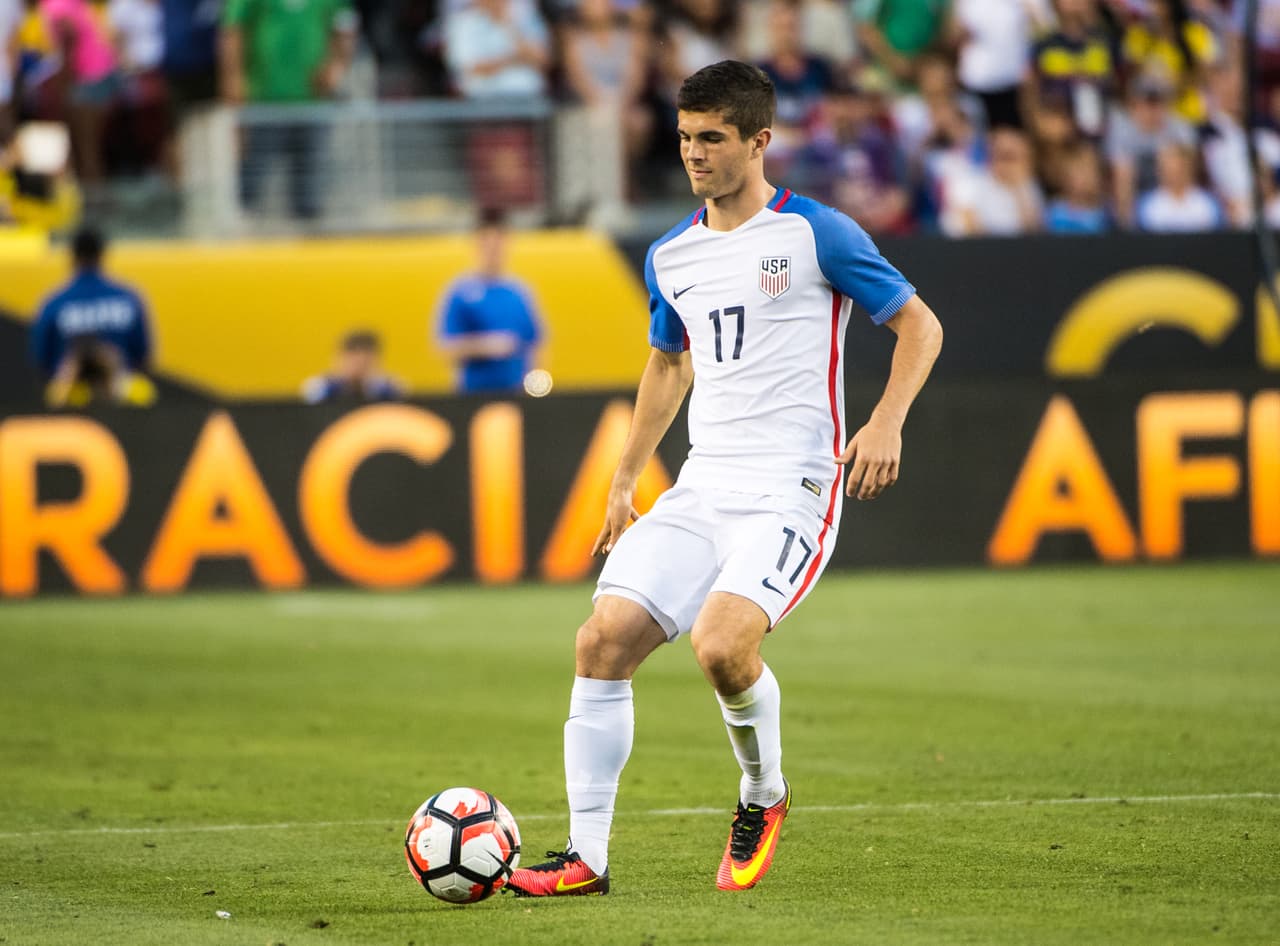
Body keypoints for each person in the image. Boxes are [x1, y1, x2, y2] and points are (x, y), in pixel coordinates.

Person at [506, 60, 942, 898]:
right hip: (705, 487)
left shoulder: (817, 234)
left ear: (759, 141)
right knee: (600, 642)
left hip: (794, 488)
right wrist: (626, 477)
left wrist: (884, 422)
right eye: (683, 138)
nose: (694, 155)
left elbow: (919, 326)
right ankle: (585, 859)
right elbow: (668, 365)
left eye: (712, 138)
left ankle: (762, 795)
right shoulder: (672, 255)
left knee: (720, 645)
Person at [220, 0, 357, 219]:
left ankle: (309, 239)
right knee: (251, 179)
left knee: (310, 183)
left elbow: (345, 26)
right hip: (263, 100)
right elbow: (233, 30)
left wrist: (337, 66)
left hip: (313, 101)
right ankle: (244, 237)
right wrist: (233, 79)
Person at [28, 225, 156, 405]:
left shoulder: (54, 304)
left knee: (57, 393)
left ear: (72, 256)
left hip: (69, 404)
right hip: (121, 401)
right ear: (102, 254)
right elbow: (143, 356)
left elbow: (42, 361)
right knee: (142, 392)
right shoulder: (127, 299)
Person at [435, 206, 542, 394]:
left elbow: (535, 344)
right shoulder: (461, 293)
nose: (494, 251)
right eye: (488, 244)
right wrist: (487, 346)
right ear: (477, 245)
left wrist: (534, 389)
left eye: (498, 244)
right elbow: (446, 346)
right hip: (475, 393)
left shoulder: (518, 293)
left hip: (515, 392)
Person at [302, 329, 403, 403]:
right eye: (354, 356)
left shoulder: (389, 388)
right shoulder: (322, 386)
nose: (359, 364)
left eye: (366, 360)